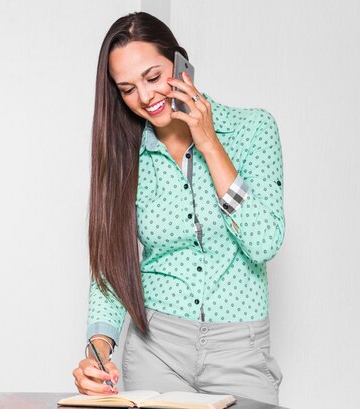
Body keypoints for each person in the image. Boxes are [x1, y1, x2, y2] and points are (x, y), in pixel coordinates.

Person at [72, 11, 285, 405]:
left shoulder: (253, 130)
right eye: (127, 88)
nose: (146, 97)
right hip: (156, 351)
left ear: (181, 63)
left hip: (241, 351)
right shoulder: (124, 157)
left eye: (153, 77)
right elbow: (111, 266)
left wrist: (208, 144)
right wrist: (98, 350)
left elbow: (264, 242)